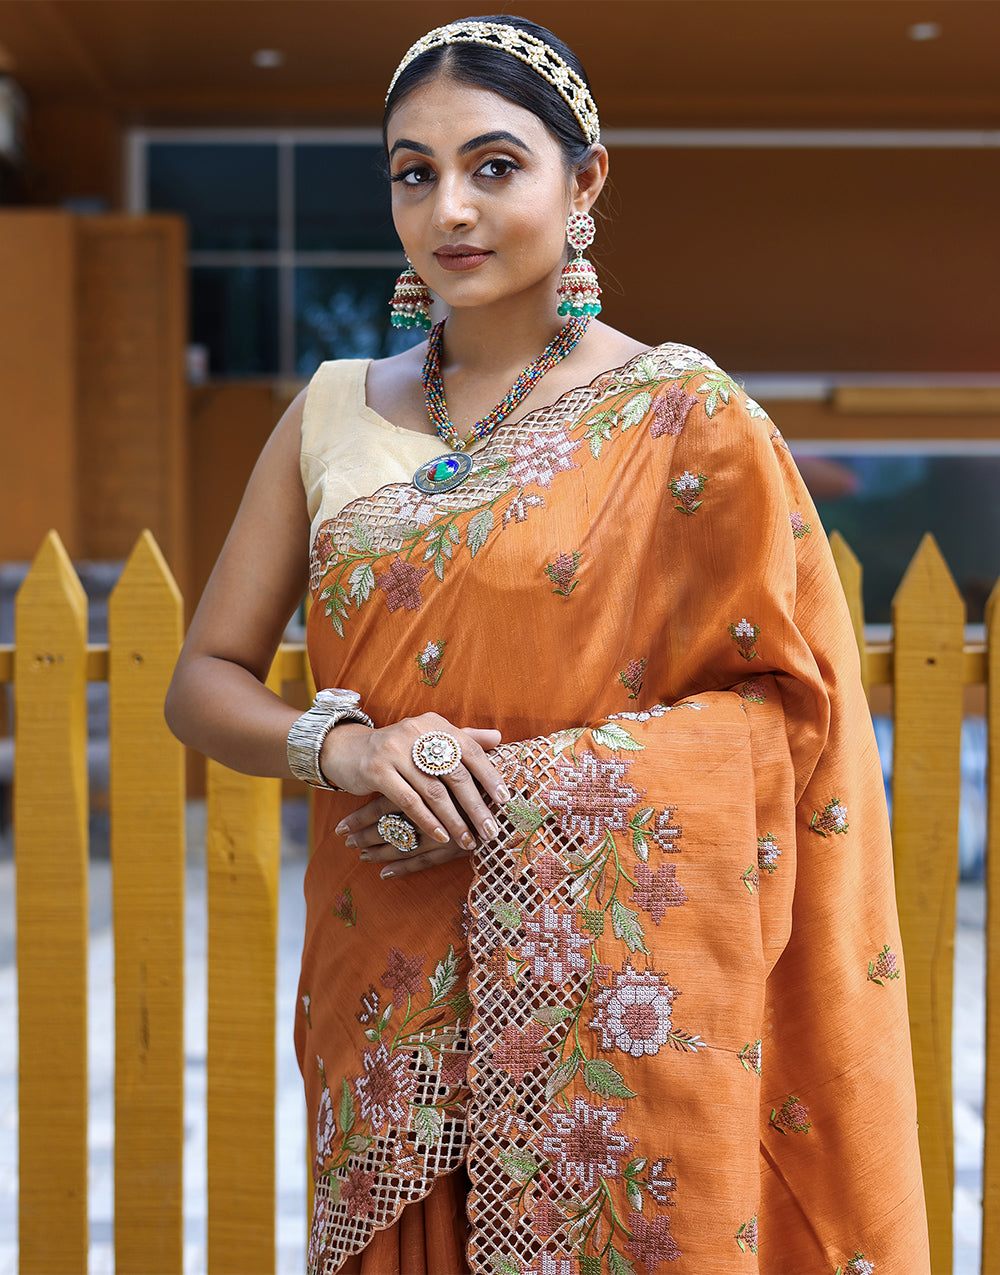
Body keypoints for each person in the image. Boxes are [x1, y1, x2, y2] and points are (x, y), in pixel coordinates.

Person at [165, 15, 930, 1275]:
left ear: (584, 181)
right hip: (385, 969)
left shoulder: (687, 419)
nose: (448, 209)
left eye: (494, 165)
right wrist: (348, 747)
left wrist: (523, 792)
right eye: (414, 172)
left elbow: (787, 724)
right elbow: (204, 682)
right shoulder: (332, 409)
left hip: (615, 1014)